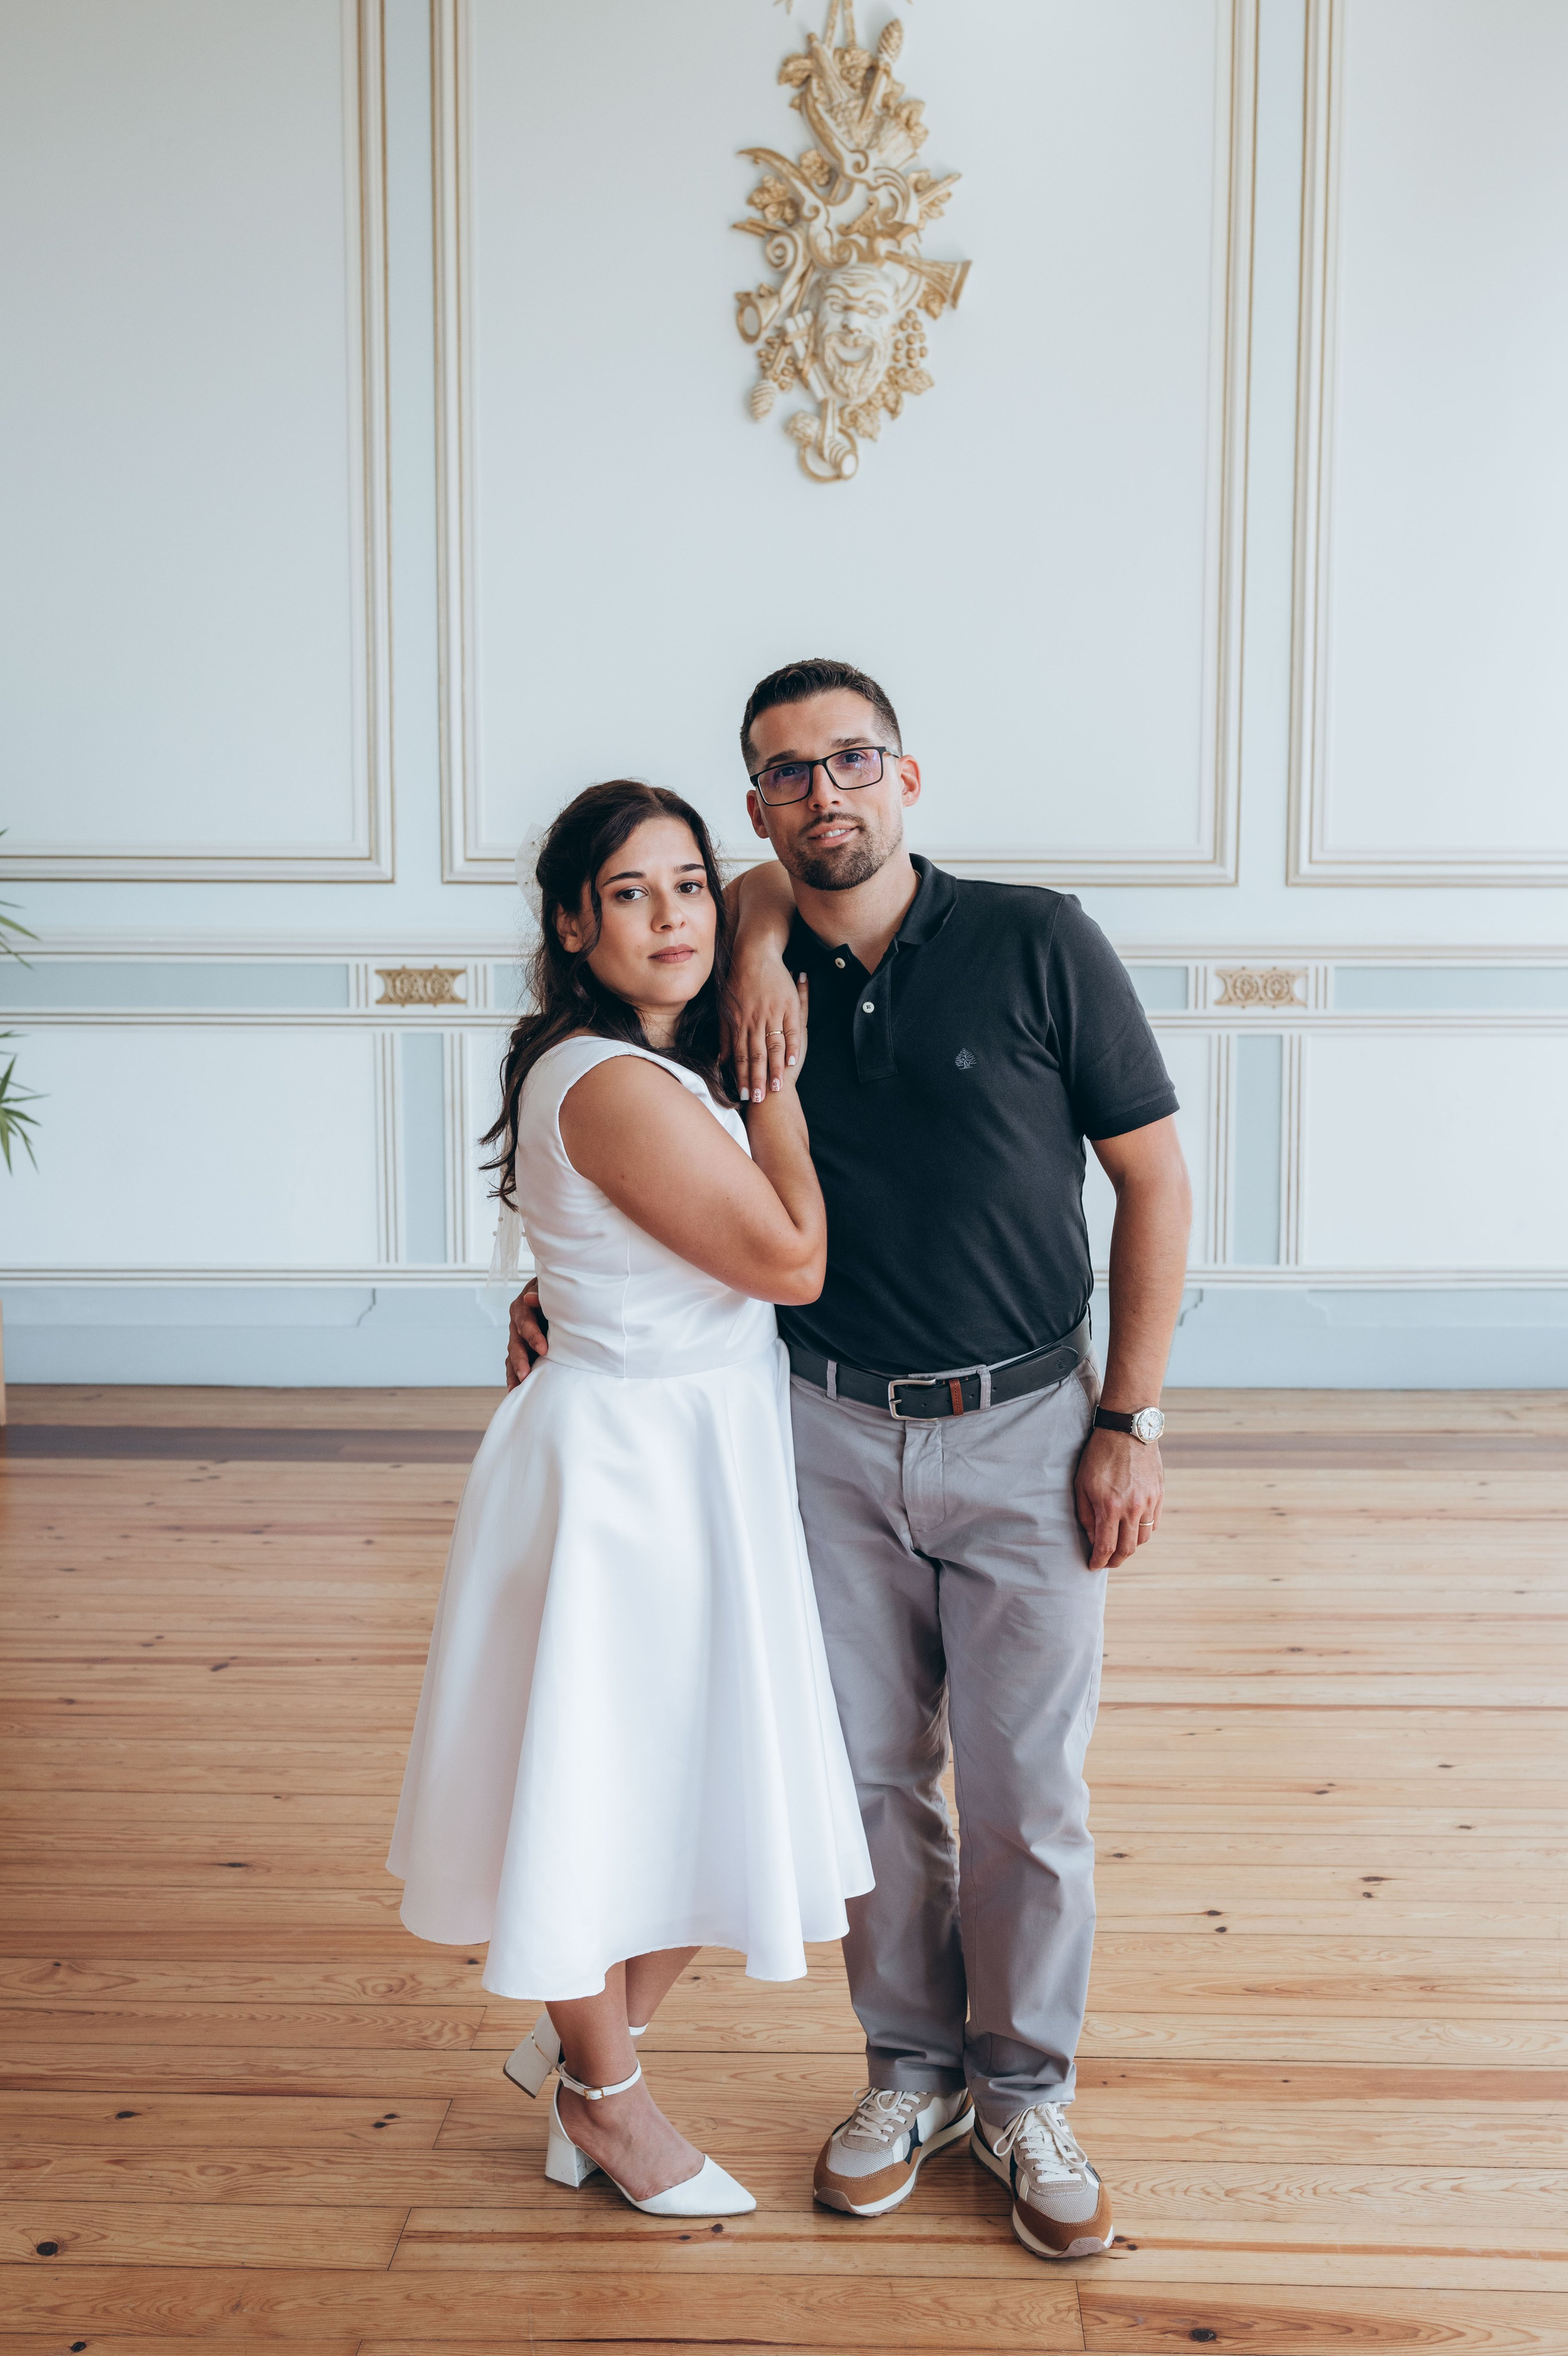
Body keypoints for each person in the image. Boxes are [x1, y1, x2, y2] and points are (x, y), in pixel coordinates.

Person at [509, 662, 1192, 2260]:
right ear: (758, 806)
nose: (829, 793)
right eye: (789, 774)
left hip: (1032, 1424)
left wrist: (1129, 1416)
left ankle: (1025, 2087)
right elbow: (640, 1169)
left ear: (909, 773)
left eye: (854, 760)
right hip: (810, 1426)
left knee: (1030, 1796)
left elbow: (1154, 1185)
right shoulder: (722, 964)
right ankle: (910, 2073)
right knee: (868, 1790)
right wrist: (559, 1291)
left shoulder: (1038, 940)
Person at [390, 778, 872, 2222]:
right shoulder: (608, 1080)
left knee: (701, 1790)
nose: (670, 916)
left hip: (696, 1451)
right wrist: (771, 1065)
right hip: (625, 1479)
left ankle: (582, 2043)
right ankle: (603, 2096)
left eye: (685, 885)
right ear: (568, 922)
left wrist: (760, 942)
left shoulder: (655, 1043)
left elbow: (766, 890)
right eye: (627, 893)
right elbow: (790, 1261)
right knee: (606, 1793)